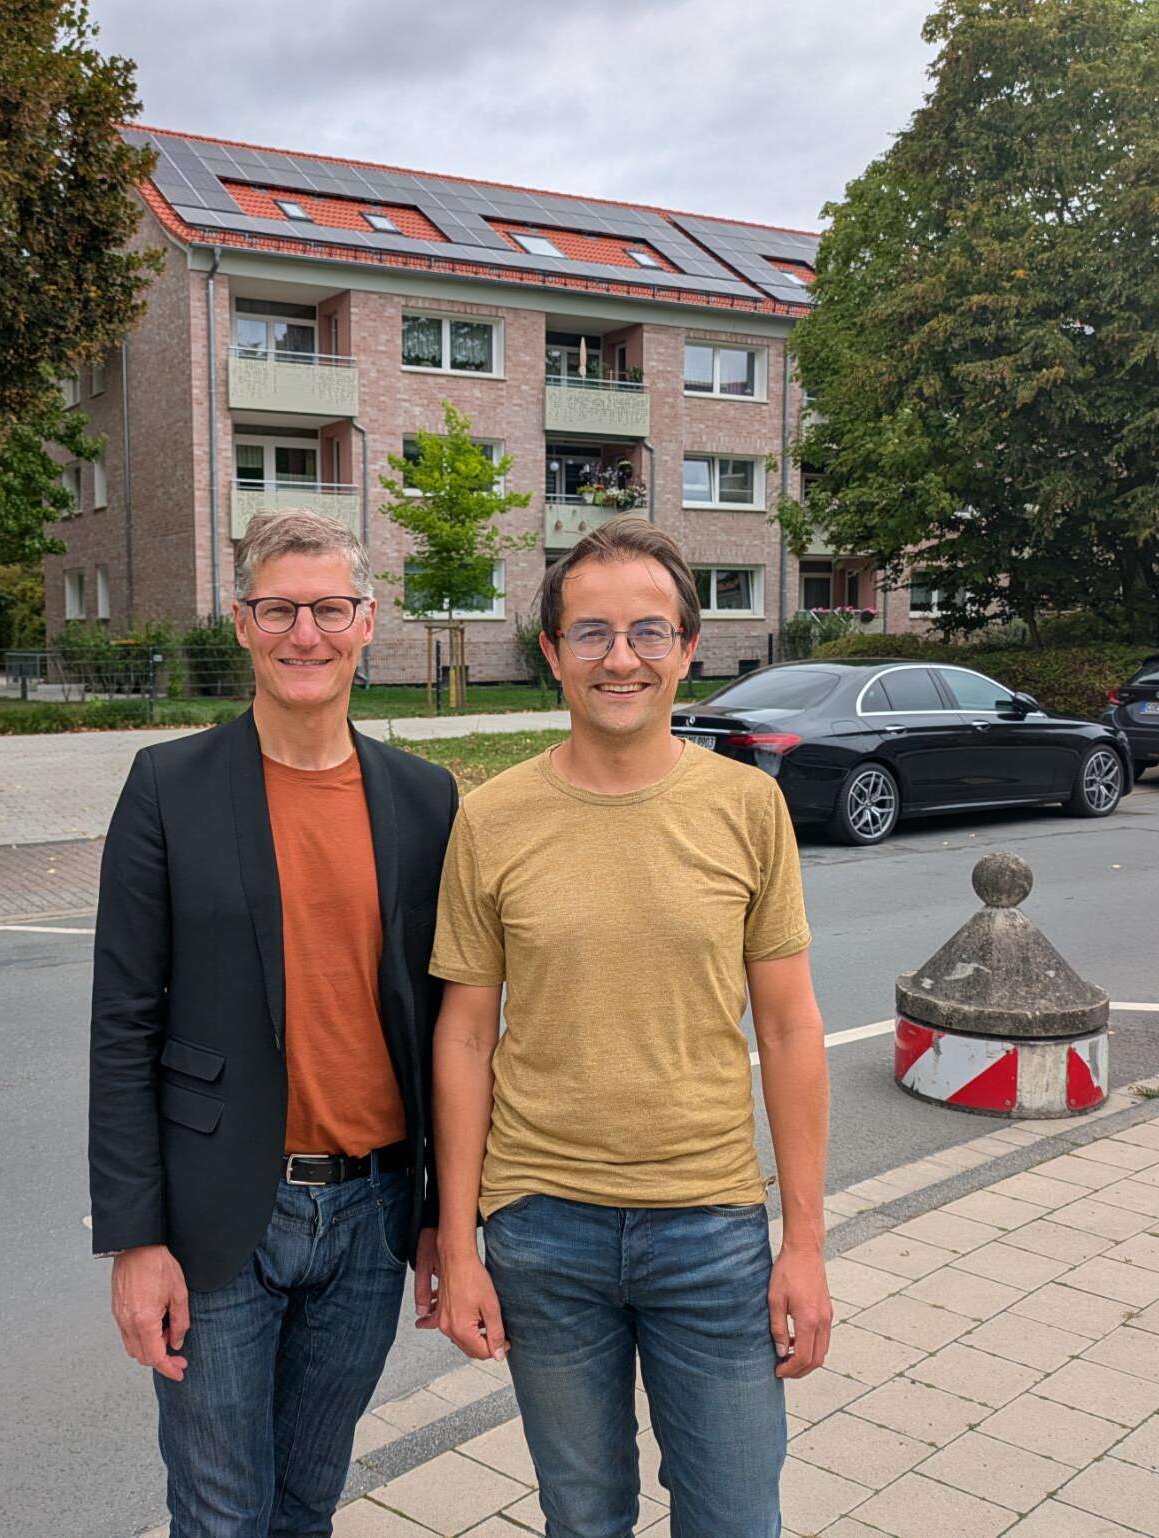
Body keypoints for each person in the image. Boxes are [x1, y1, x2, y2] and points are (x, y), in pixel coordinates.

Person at [430, 516, 831, 1538]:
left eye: (649, 632)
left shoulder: (746, 807)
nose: (621, 657)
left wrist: (806, 1245)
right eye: (592, 632)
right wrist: (462, 1240)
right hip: (540, 1229)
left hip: (708, 1225)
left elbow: (788, 1031)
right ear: (552, 652)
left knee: (735, 1516)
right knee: (582, 1516)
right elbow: (465, 1037)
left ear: (687, 648)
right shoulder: (492, 817)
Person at [89, 510, 457, 1537]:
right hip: (217, 1223)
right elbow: (121, 1022)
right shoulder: (169, 786)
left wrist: (440, 1213)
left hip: (370, 1217)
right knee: (219, 1509)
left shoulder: (425, 800)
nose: (306, 633)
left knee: (306, 1498)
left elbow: (445, 1031)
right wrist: (135, 1237)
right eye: (279, 609)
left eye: (328, 608)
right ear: (243, 623)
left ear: (367, 620)